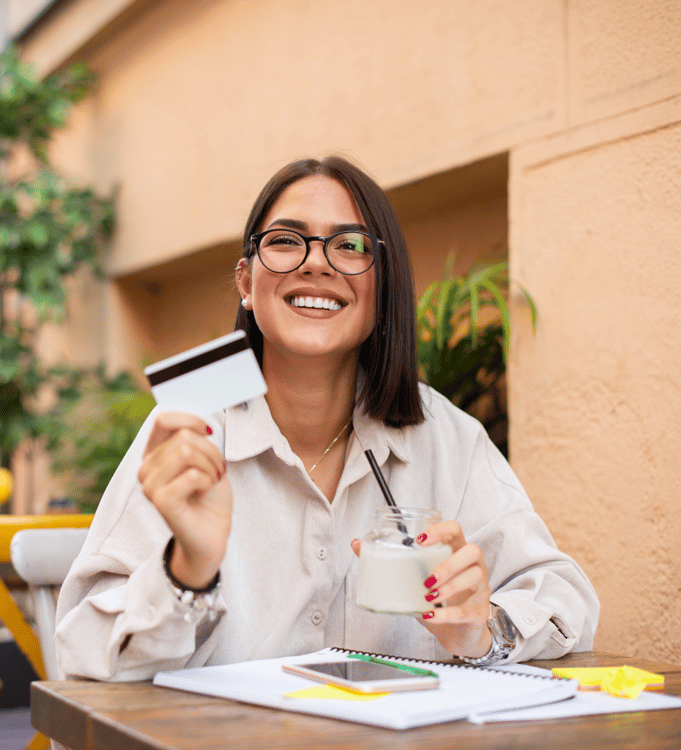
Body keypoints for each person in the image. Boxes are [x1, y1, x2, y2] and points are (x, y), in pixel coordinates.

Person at [55, 155, 599, 681]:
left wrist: (484, 631)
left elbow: (562, 597)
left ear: (381, 288)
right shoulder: (189, 431)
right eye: (287, 241)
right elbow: (80, 647)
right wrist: (186, 572)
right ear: (246, 282)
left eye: (350, 245)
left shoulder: (446, 438)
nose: (316, 262)